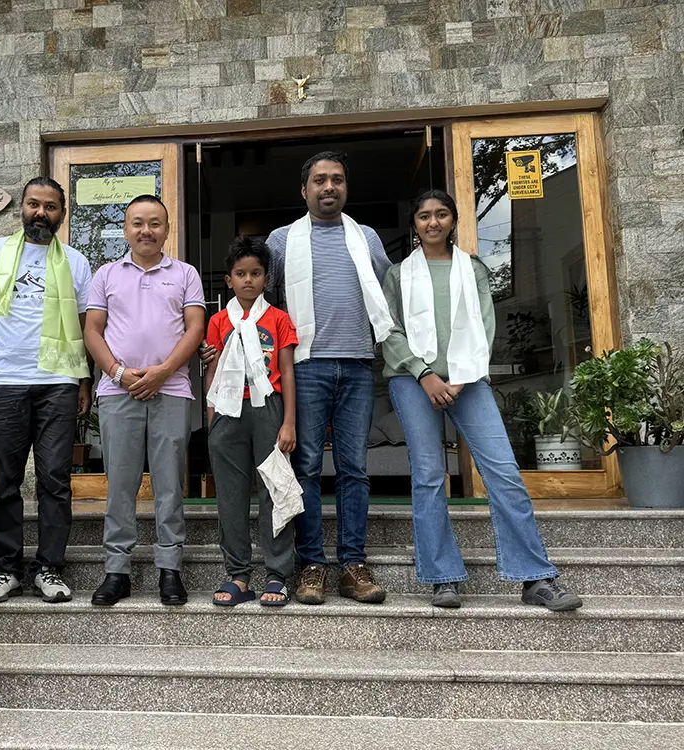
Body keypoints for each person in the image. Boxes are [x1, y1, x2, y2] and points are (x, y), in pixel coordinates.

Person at [200, 151, 394, 605]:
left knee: (354, 468)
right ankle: (309, 565)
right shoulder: (283, 240)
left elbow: (388, 292)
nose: (330, 188)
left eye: (338, 180)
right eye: (320, 181)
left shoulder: (364, 237)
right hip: (304, 365)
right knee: (303, 467)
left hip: (358, 363)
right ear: (304, 190)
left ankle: (352, 564)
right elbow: (266, 301)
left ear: (346, 187)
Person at [381, 189, 582, 611]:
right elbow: (388, 331)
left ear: (453, 220)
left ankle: (535, 578)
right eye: (423, 216)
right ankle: (442, 577)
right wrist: (425, 374)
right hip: (413, 381)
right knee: (430, 475)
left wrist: (459, 377)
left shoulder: (473, 269)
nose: (432, 222)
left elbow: (484, 326)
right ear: (414, 224)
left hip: (468, 380)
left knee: (504, 473)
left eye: (440, 215)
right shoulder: (398, 274)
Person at [0, 177, 94, 605]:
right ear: (23, 208)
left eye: (50, 207)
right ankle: (5, 569)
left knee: (55, 479)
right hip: (2, 381)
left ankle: (50, 567)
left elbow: (87, 325)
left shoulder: (76, 261)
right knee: (3, 479)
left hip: (58, 383)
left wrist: (85, 380)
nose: (40, 213)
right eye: (34, 204)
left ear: (61, 214)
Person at [83, 194, 205, 607]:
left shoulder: (186, 274)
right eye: (138, 223)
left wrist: (162, 372)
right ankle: (117, 571)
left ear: (167, 229)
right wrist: (119, 372)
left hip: (170, 391)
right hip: (118, 392)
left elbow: (194, 329)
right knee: (120, 484)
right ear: (126, 229)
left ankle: (170, 570)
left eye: (155, 223)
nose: (146, 230)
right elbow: (93, 332)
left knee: (170, 483)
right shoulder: (106, 275)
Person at [205, 236, 298, 607]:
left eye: (255, 273)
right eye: (240, 274)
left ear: (266, 278)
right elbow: (210, 372)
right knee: (230, 496)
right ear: (228, 279)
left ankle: (277, 574)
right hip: (227, 413)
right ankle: (239, 575)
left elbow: (288, 372)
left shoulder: (278, 319)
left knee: (275, 491)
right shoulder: (217, 321)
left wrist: (289, 422)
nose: (248, 280)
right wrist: (211, 421)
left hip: (268, 410)